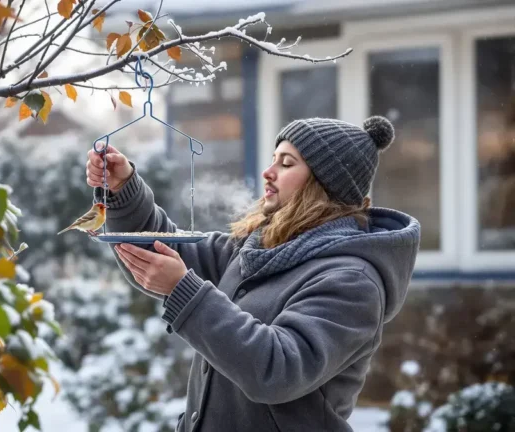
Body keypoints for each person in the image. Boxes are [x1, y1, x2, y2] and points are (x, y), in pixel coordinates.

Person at [85, 116, 421, 432]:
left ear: (324, 184)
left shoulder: (352, 281)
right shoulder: (255, 248)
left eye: (286, 163)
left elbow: (277, 370)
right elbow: (164, 252)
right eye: (274, 159)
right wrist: (124, 191)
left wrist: (183, 291)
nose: (268, 172)